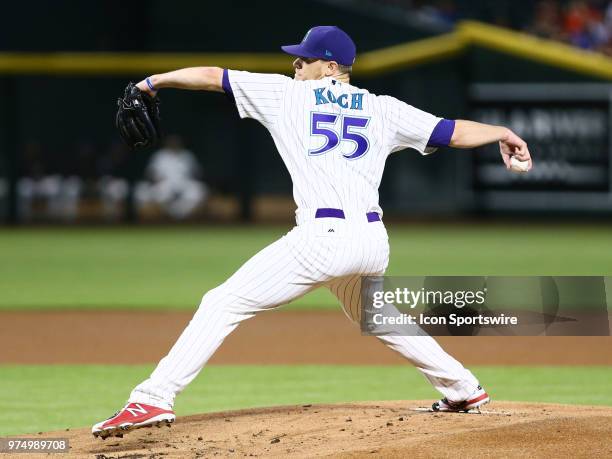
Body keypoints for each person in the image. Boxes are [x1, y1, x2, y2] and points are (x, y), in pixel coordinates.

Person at [92, 25, 532, 439]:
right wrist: (504, 132)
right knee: (375, 317)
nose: (296, 66)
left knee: (222, 302)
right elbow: (452, 132)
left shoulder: (287, 96)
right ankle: (462, 387)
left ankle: (152, 398)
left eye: (305, 60)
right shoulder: (383, 107)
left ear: (331, 67)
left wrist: (152, 83)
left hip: (323, 239)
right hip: (372, 241)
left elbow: (211, 76)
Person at [135, 135, 208, 220]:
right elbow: (150, 173)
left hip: (184, 184)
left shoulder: (187, 155)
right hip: (165, 184)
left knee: (199, 190)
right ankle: (171, 216)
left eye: (176, 142)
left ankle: (180, 215)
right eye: (172, 142)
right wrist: (156, 179)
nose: (174, 144)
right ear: (167, 143)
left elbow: (197, 173)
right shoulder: (160, 155)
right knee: (148, 191)